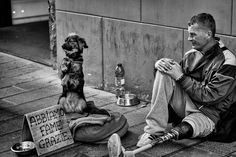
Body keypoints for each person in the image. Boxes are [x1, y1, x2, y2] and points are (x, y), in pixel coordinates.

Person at [137, 13, 236, 147]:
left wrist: (181, 77)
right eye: (189, 34)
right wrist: (159, 65)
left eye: (193, 34)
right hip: (188, 105)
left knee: (186, 128)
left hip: (209, 115)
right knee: (165, 71)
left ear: (208, 34)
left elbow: (210, 96)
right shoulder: (191, 54)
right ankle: (153, 131)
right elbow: (172, 80)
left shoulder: (228, 61)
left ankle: (186, 125)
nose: (189, 39)